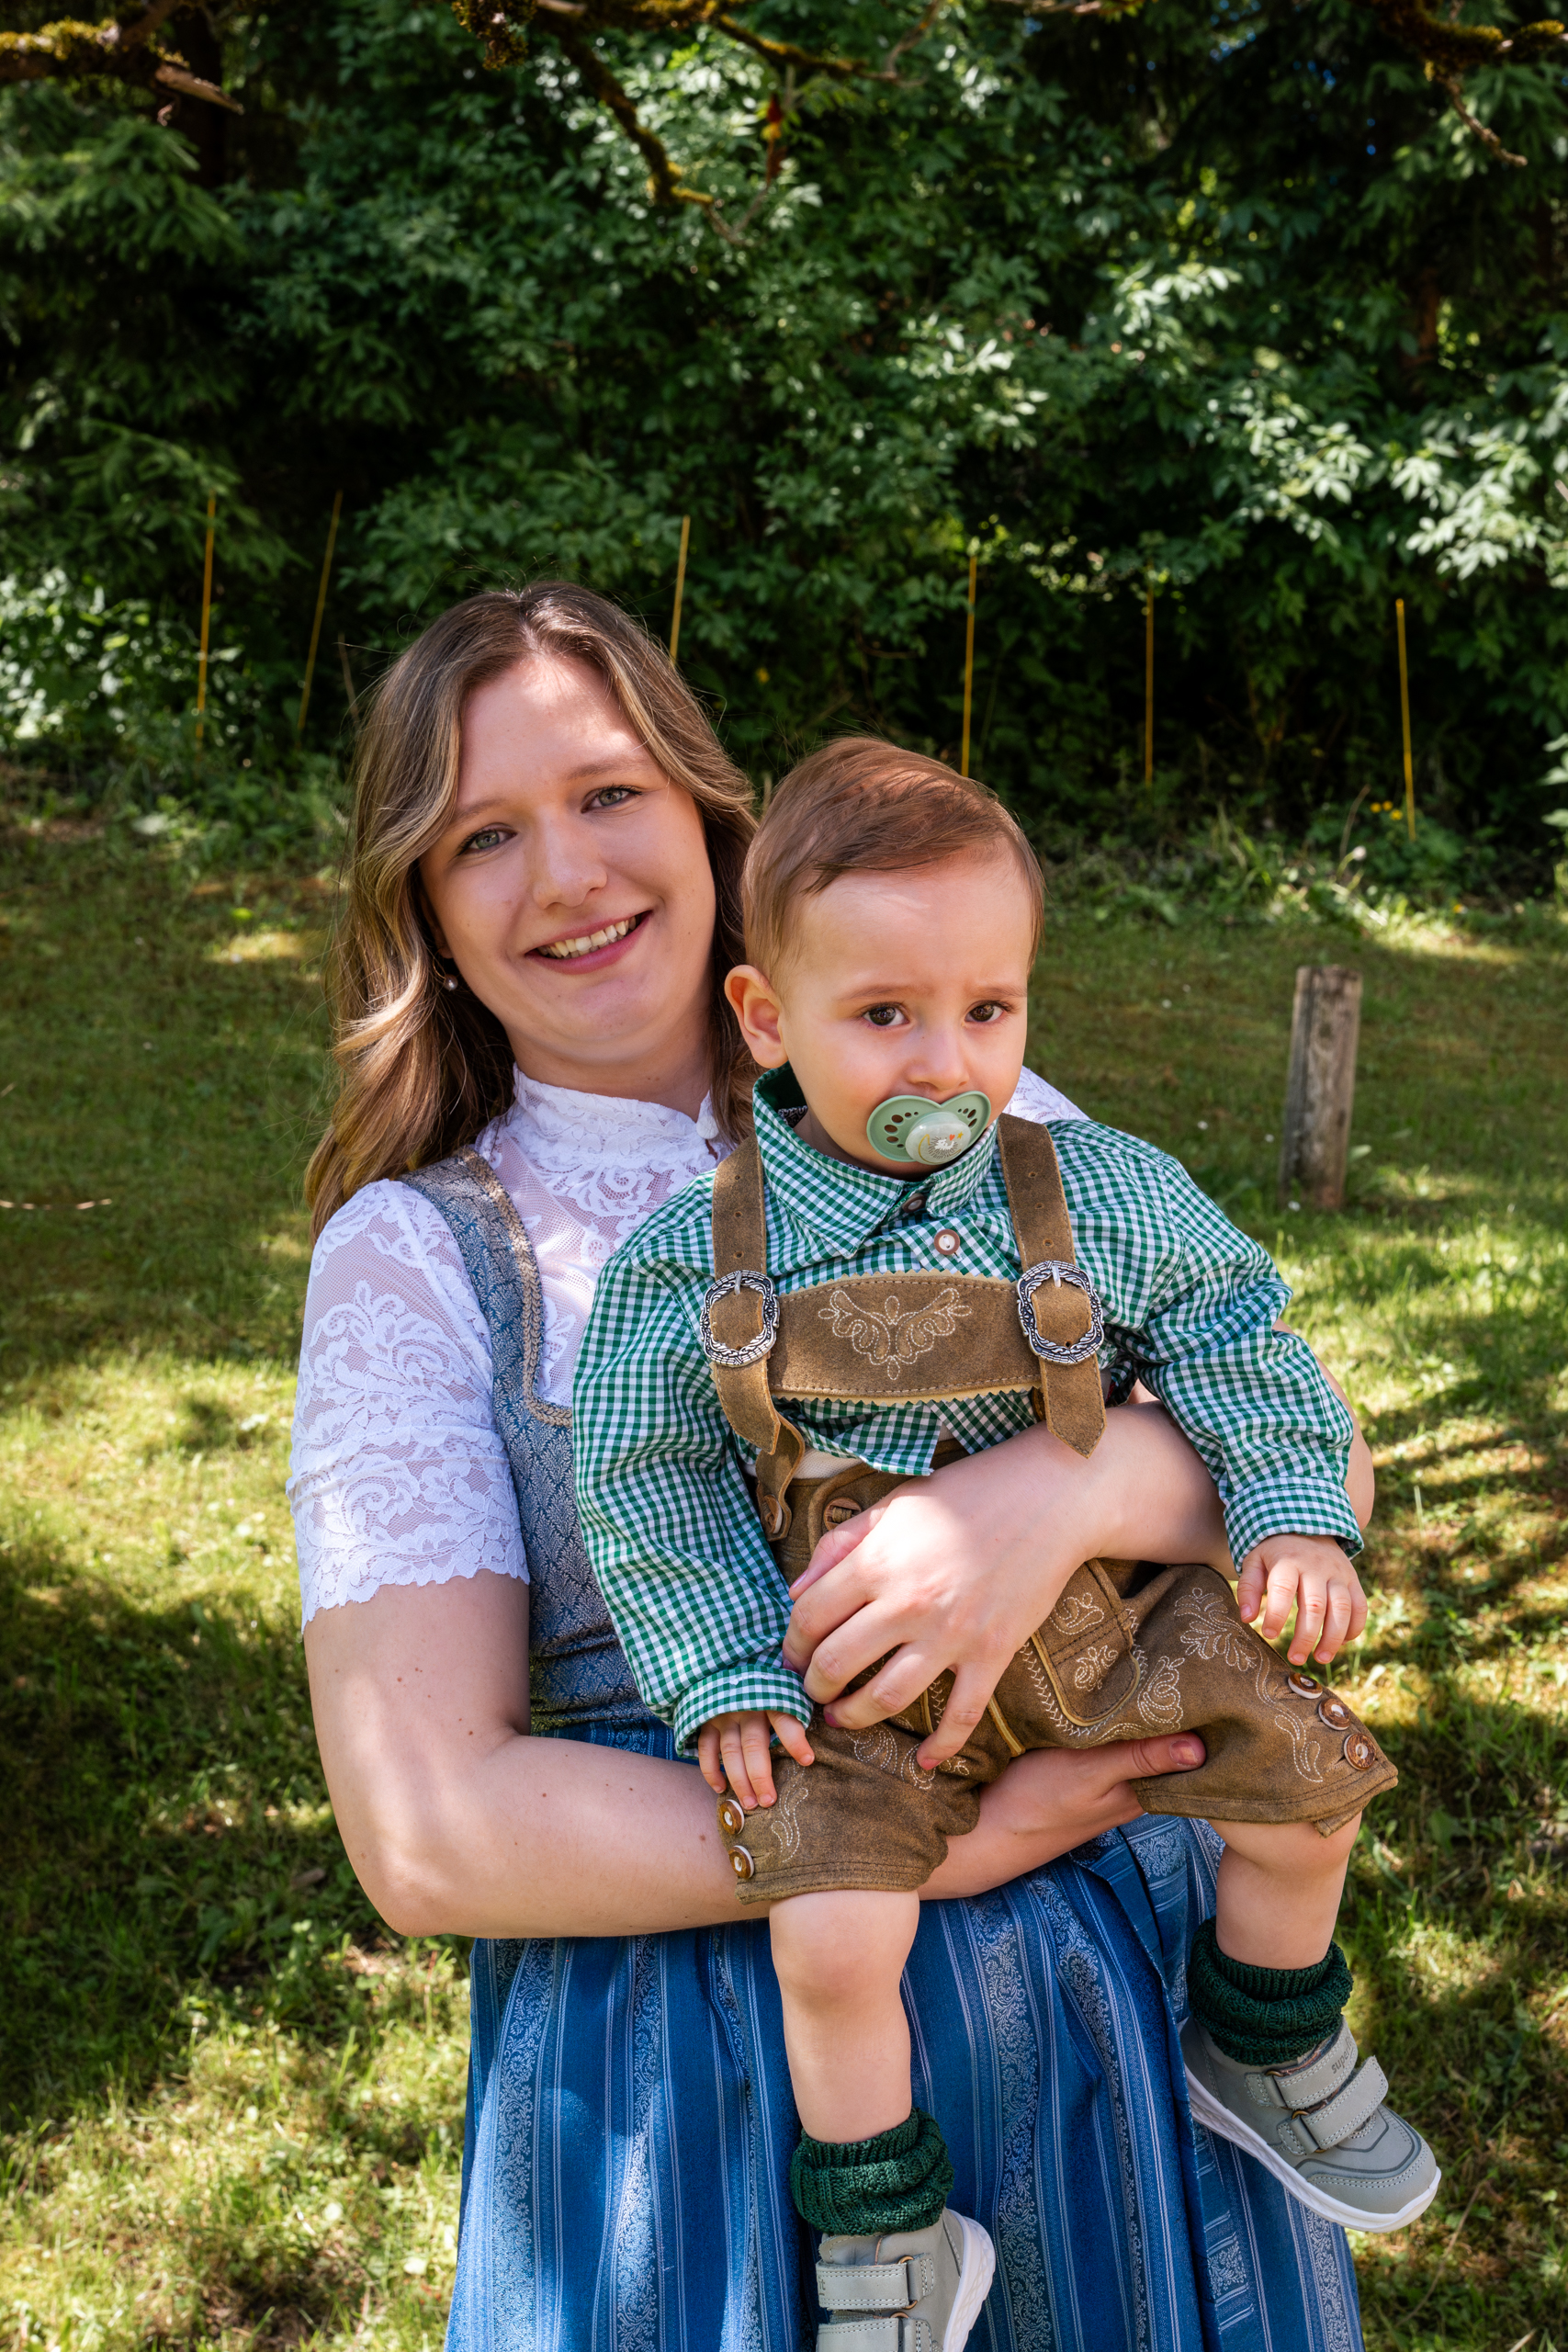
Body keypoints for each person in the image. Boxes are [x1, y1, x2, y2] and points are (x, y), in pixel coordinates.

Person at [291, 581, 1377, 2352]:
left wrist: (1067, 1493)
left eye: (608, 793)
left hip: (1100, 1999)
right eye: (484, 834)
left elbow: (1318, 1455)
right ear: (420, 900)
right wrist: (917, 1852)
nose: (566, 873)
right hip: (690, 2063)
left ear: (707, 818)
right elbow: (431, 1834)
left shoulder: (965, 1096)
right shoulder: (424, 1259)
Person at [574, 740, 1438, 2346]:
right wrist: (722, 1673)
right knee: (831, 1933)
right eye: (885, 1016)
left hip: (1112, 1627)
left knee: (1308, 1791)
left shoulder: (1099, 1194)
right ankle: (886, 2230)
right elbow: (646, 1479)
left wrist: (1294, 1513)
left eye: (989, 1010)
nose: (948, 1063)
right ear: (765, 1016)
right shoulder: (693, 1260)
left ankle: (1263, 2039)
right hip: (857, 1679)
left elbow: (1241, 1341)